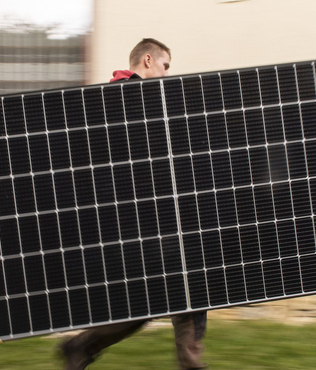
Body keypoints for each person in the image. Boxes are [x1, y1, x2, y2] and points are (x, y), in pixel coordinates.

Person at [58, 38, 208, 370]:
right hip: (140, 225)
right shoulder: (123, 99)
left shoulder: (140, 101)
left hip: (156, 221)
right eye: (166, 66)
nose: (168, 75)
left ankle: (81, 346)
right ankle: (81, 345)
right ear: (149, 60)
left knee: (182, 296)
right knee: (174, 297)